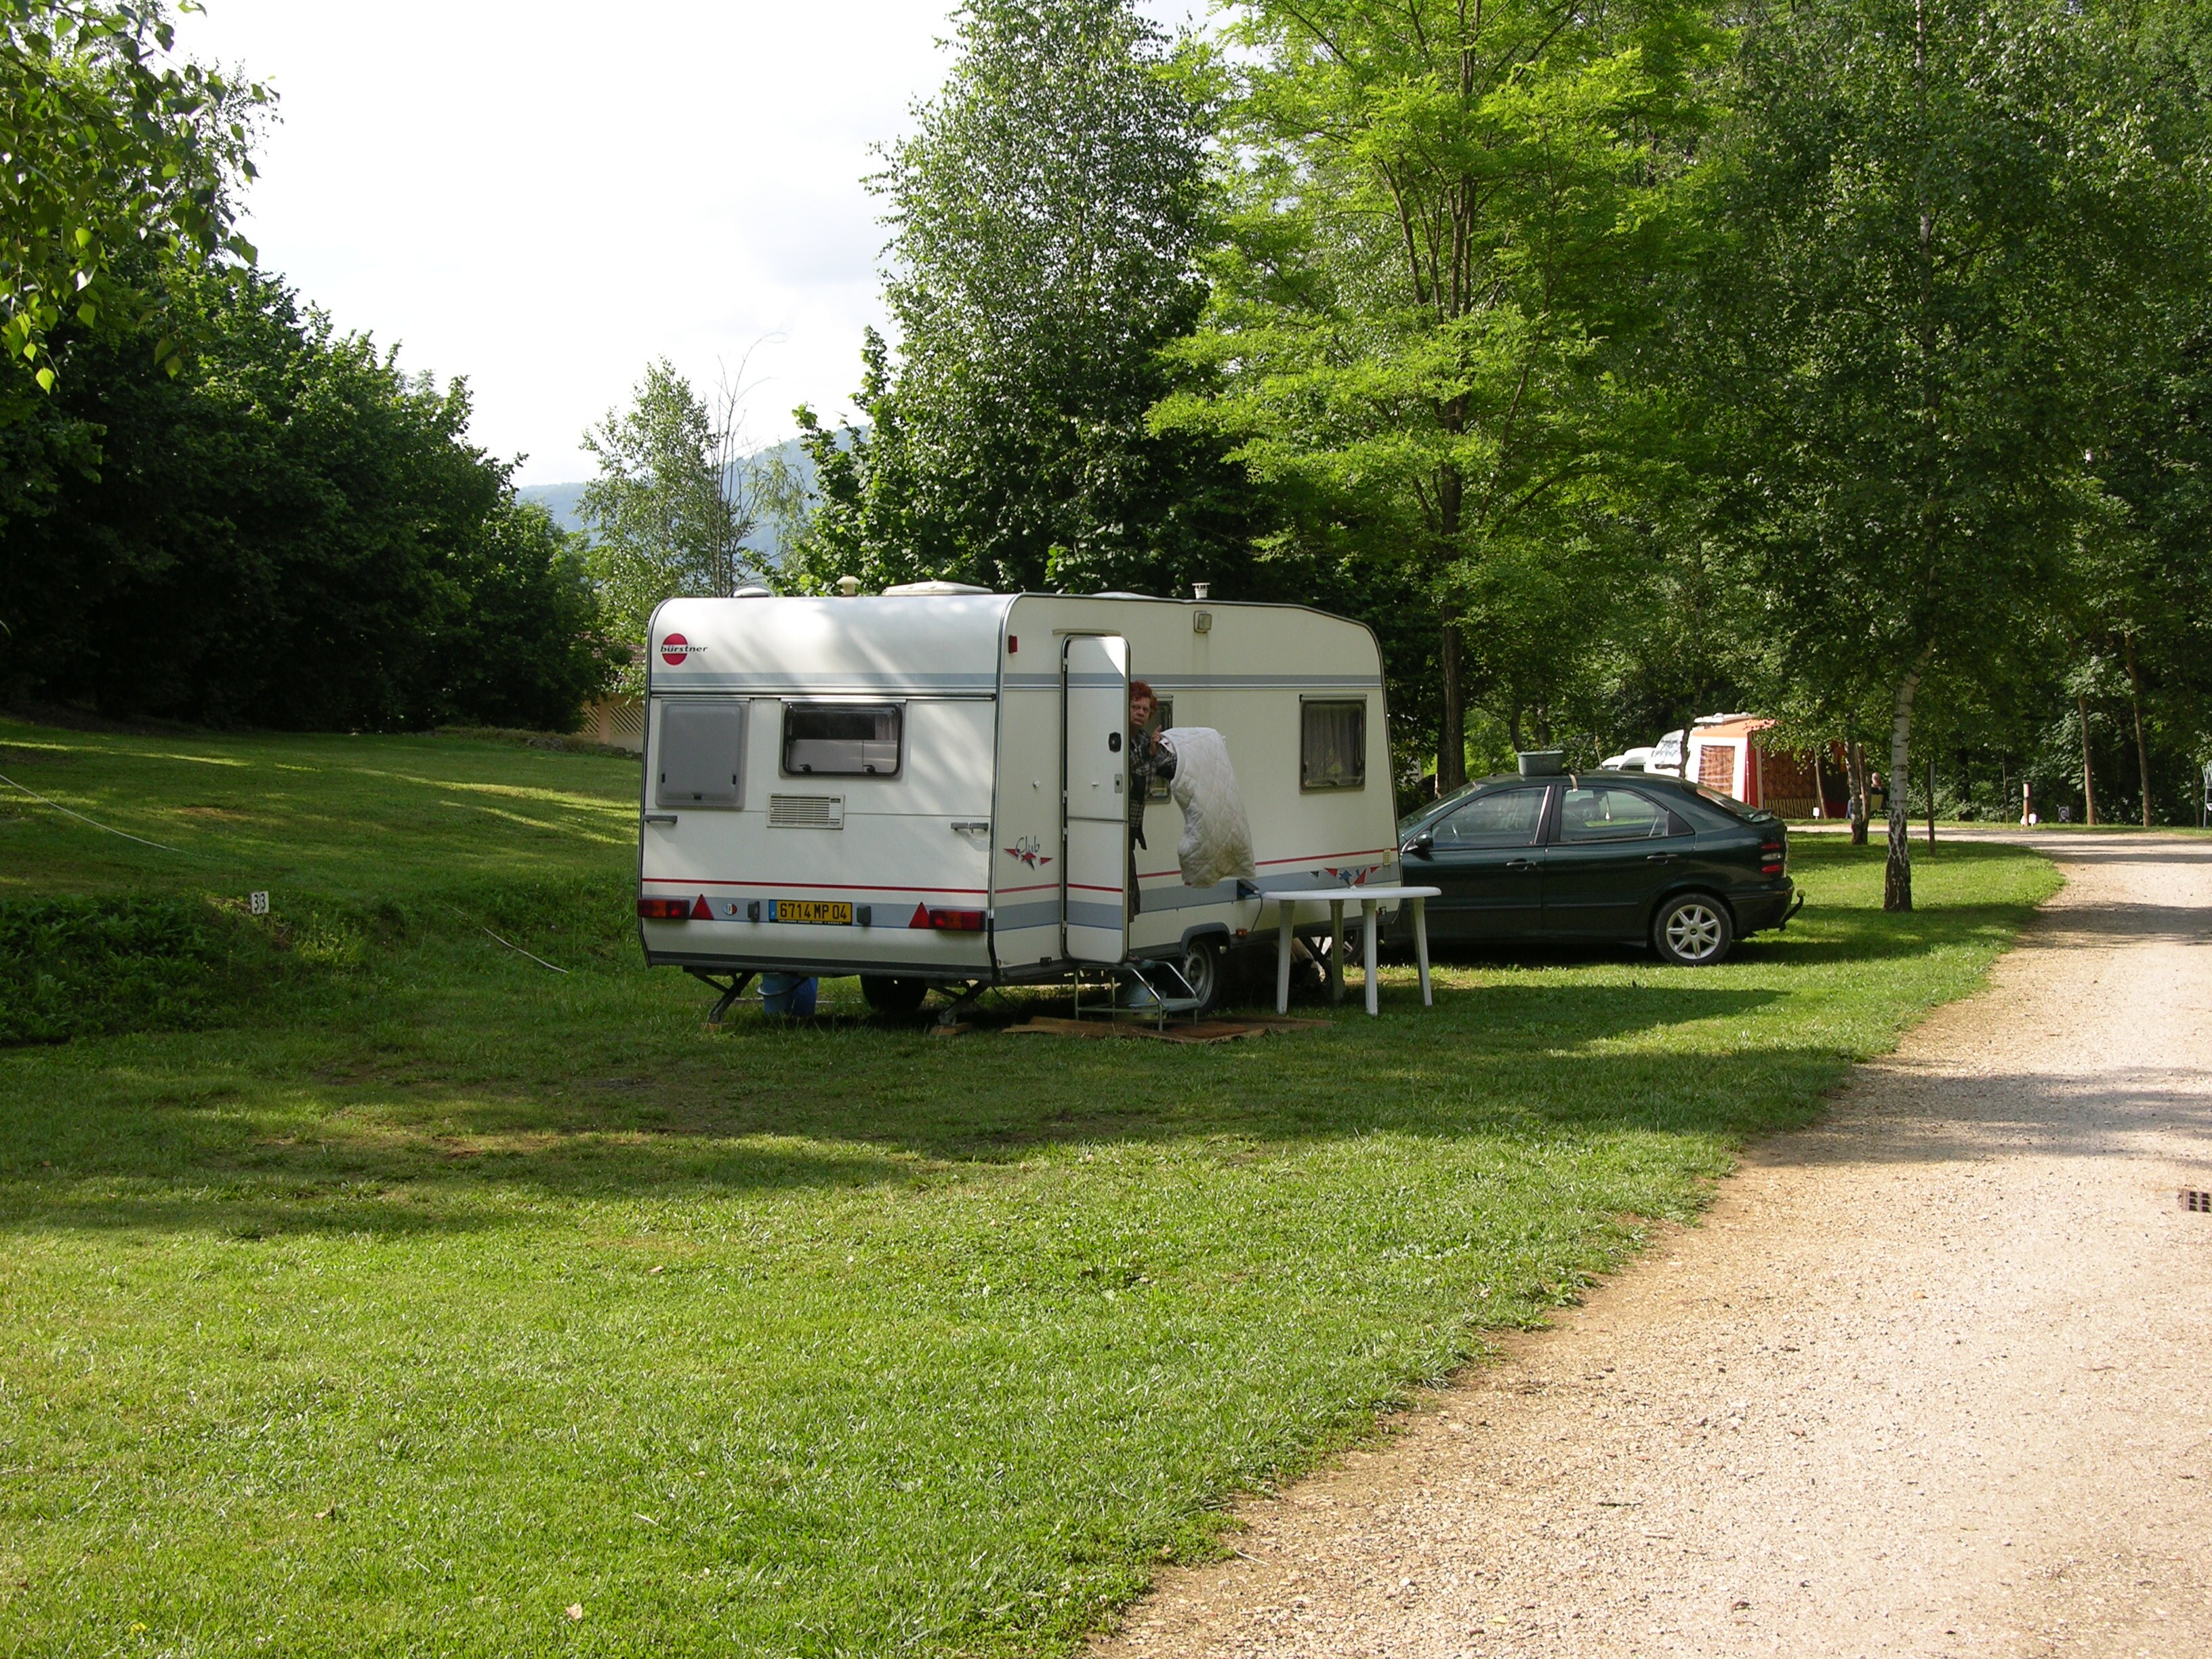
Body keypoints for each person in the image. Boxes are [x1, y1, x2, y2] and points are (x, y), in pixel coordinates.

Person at [1127, 680, 1176, 916]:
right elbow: (1123, 765)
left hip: (1130, 831)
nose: (1141, 713)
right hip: (1112, 830)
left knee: (1129, 894)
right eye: (1135, 707)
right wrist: (1149, 752)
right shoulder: (1115, 739)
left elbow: (1167, 767)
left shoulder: (1145, 741)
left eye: (1146, 710)